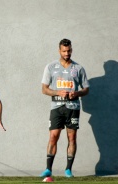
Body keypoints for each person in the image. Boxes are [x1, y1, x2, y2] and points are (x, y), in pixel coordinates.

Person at [40, 39, 89, 177]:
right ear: (59, 51)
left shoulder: (78, 68)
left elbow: (86, 89)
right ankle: (48, 169)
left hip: (73, 107)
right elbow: (44, 89)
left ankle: (68, 169)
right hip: (56, 106)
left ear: (71, 50)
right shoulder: (51, 67)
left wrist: (77, 93)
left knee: (72, 138)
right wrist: (57, 92)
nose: (67, 53)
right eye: (64, 51)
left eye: (69, 51)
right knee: (53, 137)